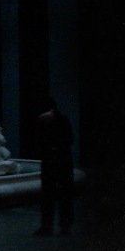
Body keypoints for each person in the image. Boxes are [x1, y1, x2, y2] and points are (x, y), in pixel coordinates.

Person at [34, 97, 75, 236]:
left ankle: (47, 225)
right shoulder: (63, 117)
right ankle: (65, 225)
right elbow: (70, 139)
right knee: (65, 193)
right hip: (64, 160)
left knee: (47, 194)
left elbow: (39, 142)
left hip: (49, 161)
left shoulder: (42, 120)